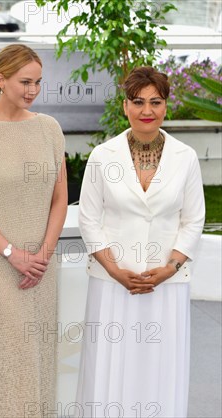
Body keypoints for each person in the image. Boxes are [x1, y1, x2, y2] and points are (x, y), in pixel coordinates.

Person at [75, 66, 205, 417]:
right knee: (108, 367)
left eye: (155, 102)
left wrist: (170, 267)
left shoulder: (186, 158)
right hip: (112, 283)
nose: (147, 110)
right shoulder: (103, 156)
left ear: (166, 107)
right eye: (138, 102)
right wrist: (115, 270)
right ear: (125, 106)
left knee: (159, 368)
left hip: (166, 284)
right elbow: (88, 218)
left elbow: (193, 220)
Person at [0, 44, 68, 417]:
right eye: (25, 81)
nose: (33, 90)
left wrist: (43, 255)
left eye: (38, 82)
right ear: (1, 79)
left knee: (34, 362)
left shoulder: (50, 130)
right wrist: (12, 253)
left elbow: (59, 200)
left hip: (40, 268)